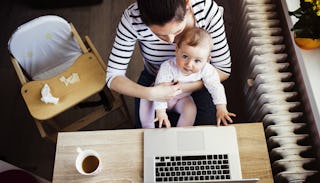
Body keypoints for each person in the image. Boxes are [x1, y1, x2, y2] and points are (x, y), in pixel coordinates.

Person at [106, 0, 232, 128]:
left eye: (178, 31)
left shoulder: (206, 10)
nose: (172, 41)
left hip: (199, 81)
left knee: (204, 134)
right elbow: (113, 77)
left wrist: (181, 87)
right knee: (149, 136)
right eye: (160, 35)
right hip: (154, 81)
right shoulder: (133, 19)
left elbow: (223, 69)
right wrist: (152, 93)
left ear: (187, 5)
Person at [140, 27, 235, 128]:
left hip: (181, 98)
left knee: (190, 109)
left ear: (207, 60)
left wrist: (221, 108)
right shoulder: (168, 67)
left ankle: (182, 132)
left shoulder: (206, 69)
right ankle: (147, 128)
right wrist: (161, 112)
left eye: (197, 61)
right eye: (185, 56)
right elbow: (160, 89)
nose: (189, 64)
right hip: (158, 96)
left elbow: (215, 87)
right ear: (177, 50)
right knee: (145, 100)